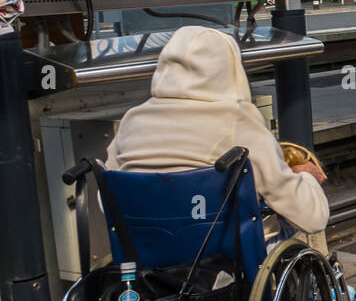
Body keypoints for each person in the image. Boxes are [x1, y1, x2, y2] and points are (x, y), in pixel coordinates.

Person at [107, 25, 330, 237]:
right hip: (221, 255)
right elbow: (311, 218)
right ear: (230, 69)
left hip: (145, 251)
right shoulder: (236, 120)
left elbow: (105, 197)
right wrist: (306, 178)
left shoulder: (132, 119)